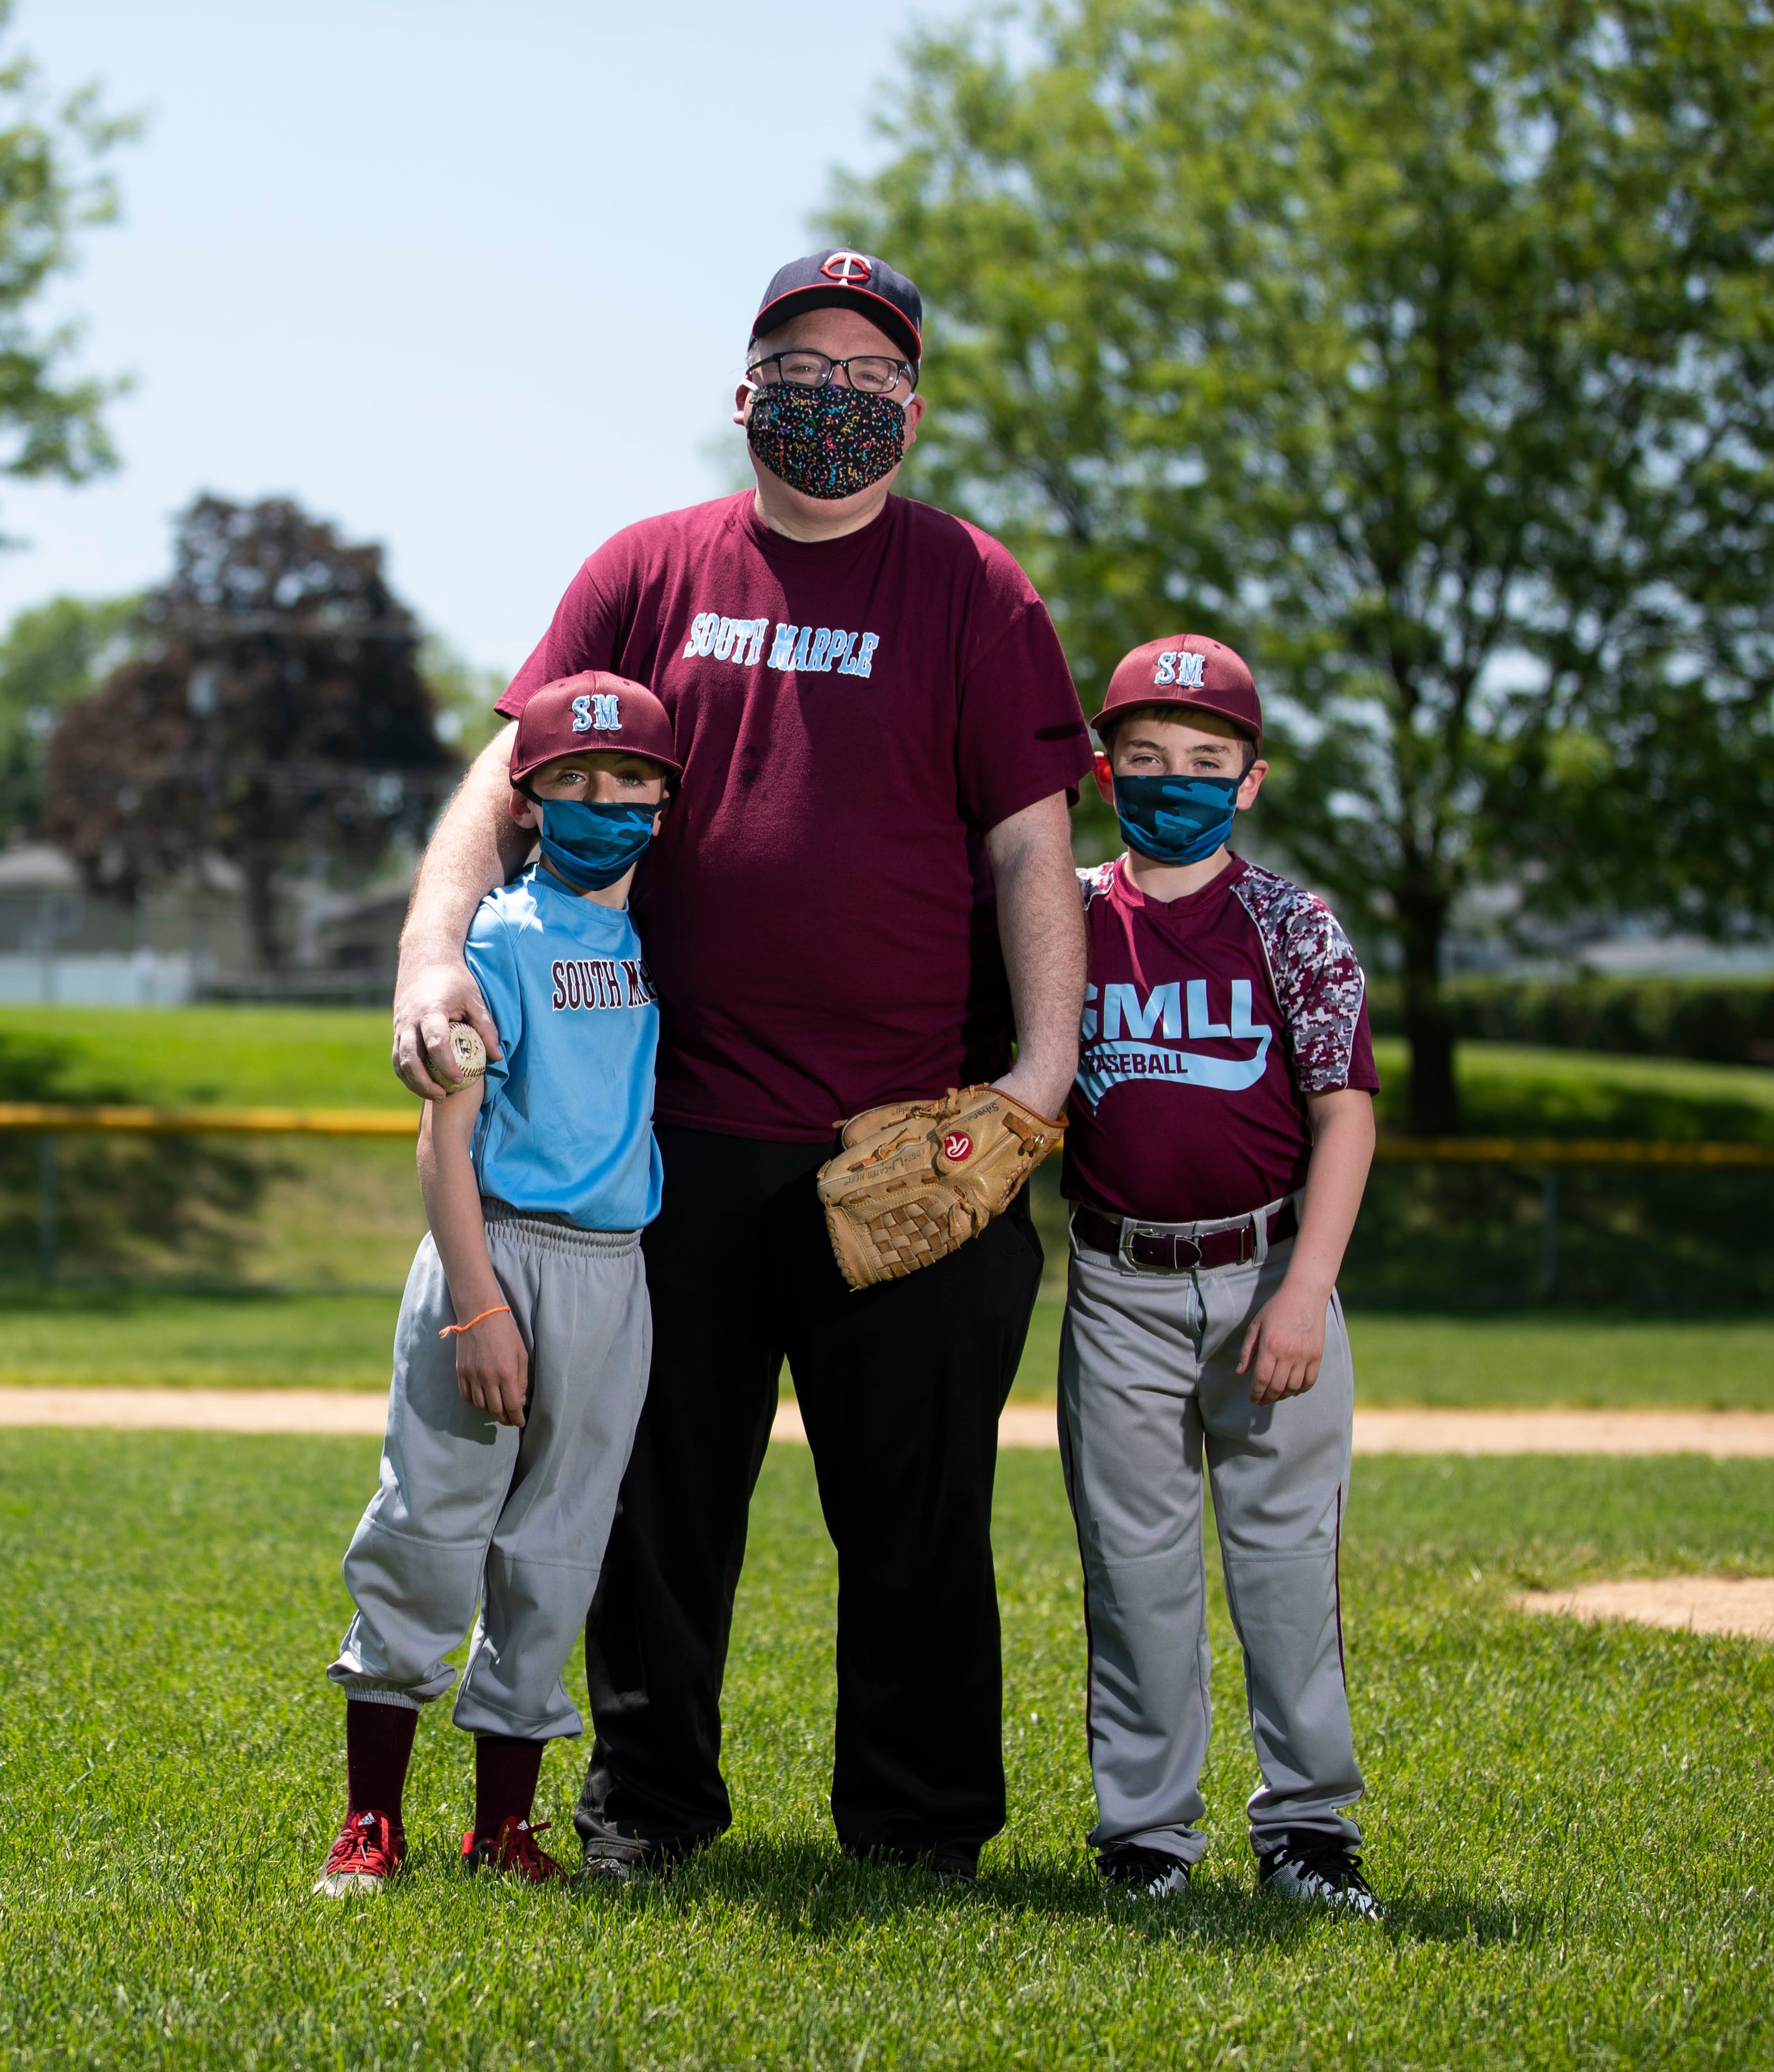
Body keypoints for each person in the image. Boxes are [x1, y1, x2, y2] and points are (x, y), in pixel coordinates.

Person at [387, 250, 1092, 1881]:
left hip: (916, 1131)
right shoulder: (650, 568)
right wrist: (431, 955)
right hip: (665, 1133)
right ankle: (646, 1809)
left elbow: (1031, 848)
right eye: (802, 362)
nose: (833, 394)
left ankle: (918, 1833)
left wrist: (1042, 1078)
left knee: (918, 1511)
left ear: (911, 408)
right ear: (744, 388)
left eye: (870, 371)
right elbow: (504, 778)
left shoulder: (975, 589)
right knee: (653, 1504)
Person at [316, 671, 681, 1895]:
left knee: (557, 1549)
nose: (604, 804)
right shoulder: (493, 936)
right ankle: (371, 1820)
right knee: (429, 1530)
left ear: (666, 803)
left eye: (630, 782)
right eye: (572, 784)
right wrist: (476, 1304)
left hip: (610, 1266)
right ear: (526, 800)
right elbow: (443, 1140)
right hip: (499, 1248)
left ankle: (503, 1828)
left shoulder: (645, 934)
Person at [1060, 633, 1384, 1917]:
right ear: (1101, 770)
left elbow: (1344, 1111)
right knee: (1132, 1568)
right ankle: (1146, 1834)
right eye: (1144, 758)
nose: (1173, 780)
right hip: (1116, 1278)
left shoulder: (1289, 921)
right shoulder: (1069, 913)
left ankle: (1308, 1828)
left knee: (1285, 1564)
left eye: (1205, 760)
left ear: (1249, 778)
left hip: (1263, 1270)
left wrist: (1305, 1286)